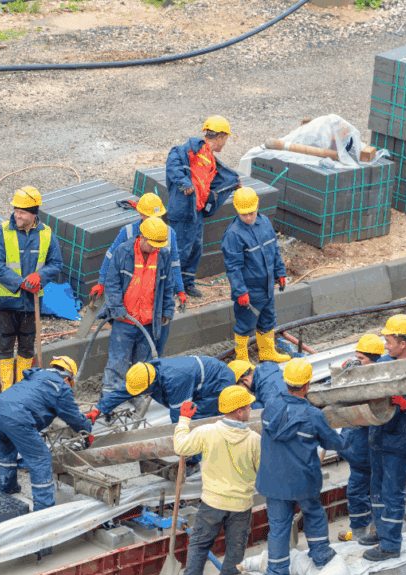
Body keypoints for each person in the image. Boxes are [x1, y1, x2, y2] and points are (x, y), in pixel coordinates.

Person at [256, 358, 348, 575]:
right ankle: (320, 555)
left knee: (278, 527)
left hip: (273, 481)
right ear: (307, 386)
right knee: (313, 514)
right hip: (302, 481)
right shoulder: (312, 415)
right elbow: (334, 442)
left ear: (285, 382)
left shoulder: (269, 407)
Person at [359, 314, 406, 561]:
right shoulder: (384, 362)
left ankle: (391, 544)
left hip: (401, 442)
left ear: (403, 343)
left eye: (389, 340)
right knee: (377, 489)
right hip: (379, 436)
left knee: (392, 492)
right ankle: (381, 531)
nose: (385, 345)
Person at [174, 385, 261, 575]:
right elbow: (262, 472)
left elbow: (180, 447)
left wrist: (184, 419)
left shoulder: (206, 432)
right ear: (239, 412)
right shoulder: (255, 441)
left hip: (211, 502)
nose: (251, 409)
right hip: (240, 505)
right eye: (248, 407)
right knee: (235, 550)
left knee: (199, 545)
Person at [0, 356, 91, 511]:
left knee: (7, 449)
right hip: (17, 418)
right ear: (68, 378)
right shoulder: (61, 387)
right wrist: (88, 428)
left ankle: (7, 487)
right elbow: (73, 417)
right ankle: (43, 508)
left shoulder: (35, 375)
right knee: (40, 458)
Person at [0, 186, 66, 392]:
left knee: (26, 348)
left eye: (22, 212)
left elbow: (56, 264)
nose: (17, 215)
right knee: (5, 347)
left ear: (33, 214)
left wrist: (39, 276)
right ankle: (7, 391)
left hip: (32, 303)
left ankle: (22, 390)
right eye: (16, 210)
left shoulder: (46, 234)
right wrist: (21, 282)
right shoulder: (3, 230)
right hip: (4, 302)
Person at [92, 193, 186, 353]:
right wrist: (102, 282)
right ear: (141, 214)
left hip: (154, 295)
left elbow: (174, 264)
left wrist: (180, 289)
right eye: (151, 216)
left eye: (159, 216)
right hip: (131, 294)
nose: (156, 221)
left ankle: (152, 369)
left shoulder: (168, 234)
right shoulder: (128, 232)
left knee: (156, 341)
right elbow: (111, 256)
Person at [96, 216, 176, 398]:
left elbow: (167, 286)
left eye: (159, 244)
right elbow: (112, 282)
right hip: (125, 319)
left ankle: (138, 396)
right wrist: (116, 308)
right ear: (143, 237)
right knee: (118, 361)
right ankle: (110, 397)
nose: (156, 248)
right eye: (153, 244)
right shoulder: (123, 252)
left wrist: (167, 310)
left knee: (143, 364)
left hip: (149, 321)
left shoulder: (162, 255)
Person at [165, 115, 241, 298]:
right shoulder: (195, 148)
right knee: (179, 250)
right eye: (225, 139)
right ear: (219, 137)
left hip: (196, 212)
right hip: (183, 211)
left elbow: (213, 183)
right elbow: (173, 158)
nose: (225, 143)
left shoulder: (210, 158)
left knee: (195, 249)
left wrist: (232, 184)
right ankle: (170, 288)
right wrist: (184, 182)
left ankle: (187, 284)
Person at [222, 186, 289, 363]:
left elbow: (274, 249)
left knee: (268, 319)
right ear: (237, 210)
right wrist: (240, 291)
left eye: (251, 213)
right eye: (244, 214)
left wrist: (280, 272)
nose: (249, 217)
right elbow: (233, 267)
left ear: (257, 206)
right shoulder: (233, 234)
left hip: (266, 286)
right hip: (250, 290)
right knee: (245, 324)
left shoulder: (265, 223)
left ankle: (267, 352)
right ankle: (242, 359)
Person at [88, 355, 239, 424]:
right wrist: (98, 409)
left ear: (151, 385)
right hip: (200, 378)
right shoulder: (147, 372)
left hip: (218, 382)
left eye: (142, 391)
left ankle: (193, 460)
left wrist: (177, 442)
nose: (140, 394)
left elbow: (179, 416)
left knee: (195, 417)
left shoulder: (175, 381)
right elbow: (123, 392)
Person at [336, 334, 385, 542]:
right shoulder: (359, 376)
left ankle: (376, 531)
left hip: (368, 453)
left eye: (361, 358)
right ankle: (359, 533)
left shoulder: (376, 382)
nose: (357, 362)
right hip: (357, 453)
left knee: (376, 495)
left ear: (373, 360)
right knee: (356, 495)